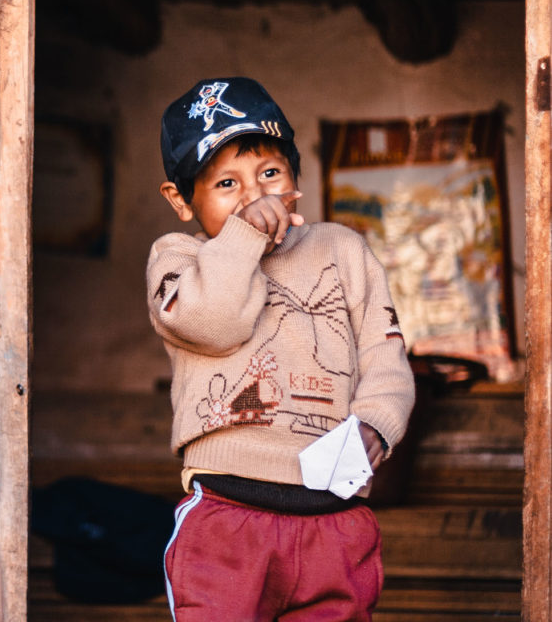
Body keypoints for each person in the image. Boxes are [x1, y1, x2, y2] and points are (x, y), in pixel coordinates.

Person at [148, 77, 415, 621]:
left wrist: (377, 424)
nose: (255, 196)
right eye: (227, 183)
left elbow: (385, 356)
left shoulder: (342, 250)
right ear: (181, 200)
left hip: (334, 519)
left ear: (296, 175)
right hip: (226, 516)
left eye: (270, 173)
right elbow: (214, 323)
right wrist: (242, 239)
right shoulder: (179, 261)